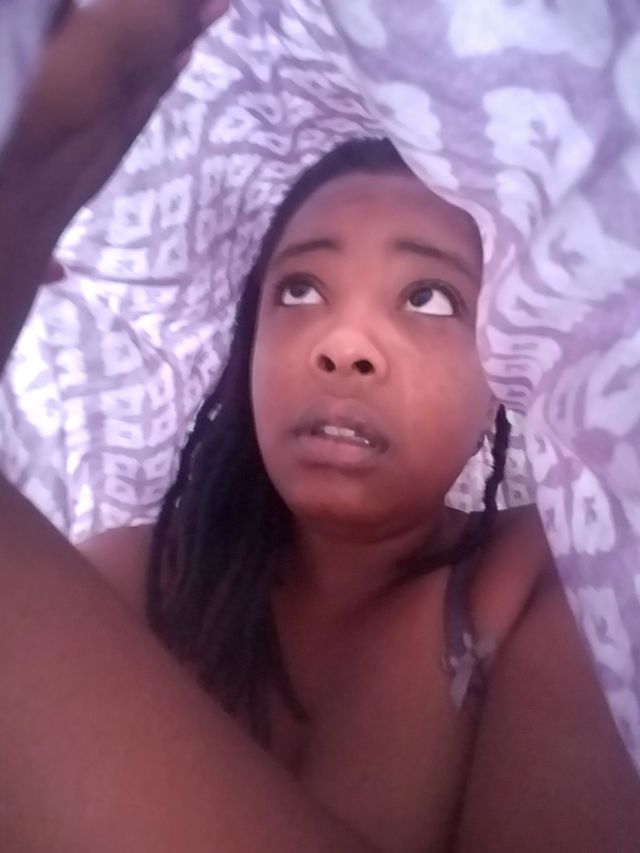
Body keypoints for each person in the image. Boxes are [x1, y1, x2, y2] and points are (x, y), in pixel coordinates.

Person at [0, 4, 639, 852]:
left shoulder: (540, 590)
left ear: (501, 374)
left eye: (428, 298)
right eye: (299, 289)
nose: (345, 346)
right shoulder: (136, 574)